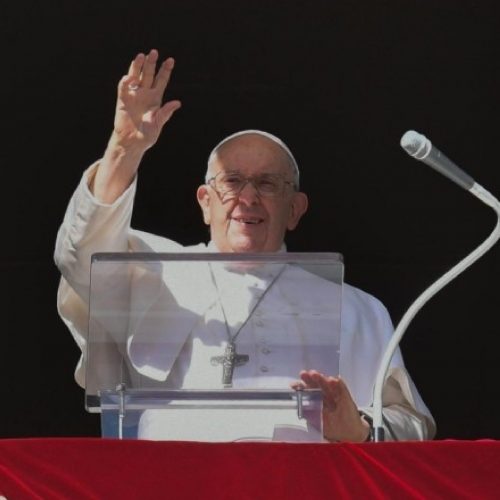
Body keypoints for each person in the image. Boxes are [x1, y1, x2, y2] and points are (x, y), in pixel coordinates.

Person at [55, 49, 435, 442]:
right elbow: (80, 255)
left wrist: (359, 428)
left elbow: (412, 428)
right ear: (205, 202)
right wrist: (124, 149)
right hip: (175, 472)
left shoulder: (356, 310)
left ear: (295, 209)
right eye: (232, 182)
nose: (248, 198)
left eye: (268, 184)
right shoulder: (153, 275)